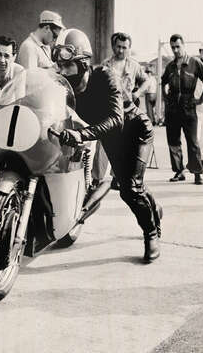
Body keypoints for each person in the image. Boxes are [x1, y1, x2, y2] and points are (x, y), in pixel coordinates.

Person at [53, 29, 162, 262]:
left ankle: (151, 232)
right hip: (111, 139)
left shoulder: (105, 75)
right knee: (132, 185)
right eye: (59, 66)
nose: (62, 71)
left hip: (136, 132)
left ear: (83, 62)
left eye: (68, 65)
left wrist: (81, 134)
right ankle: (153, 208)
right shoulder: (65, 88)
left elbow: (116, 119)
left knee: (130, 190)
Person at [95, 32, 148, 189]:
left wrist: (137, 93)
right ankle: (96, 178)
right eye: (118, 47)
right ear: (113, 46)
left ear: (129, 48)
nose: (121, 50)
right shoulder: (105, 64)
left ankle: (117, 177)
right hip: (108, 109)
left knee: (124, 144)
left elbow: (147, 80)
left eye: (125, 47)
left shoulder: (134, 66)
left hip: (126, 110)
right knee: (103, 145)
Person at [162, 34, 203, 185]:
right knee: (173, 141)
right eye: (173, 47)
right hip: (173, 110)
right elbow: (162, 82)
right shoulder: (169, 66)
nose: (175, 50)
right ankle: (178, 171)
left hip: (189, 108)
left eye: (178, 46)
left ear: (183, 45)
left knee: (193, 142)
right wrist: (166, 98)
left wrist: (201, 99)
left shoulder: (194, 62)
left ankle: (197, 173)